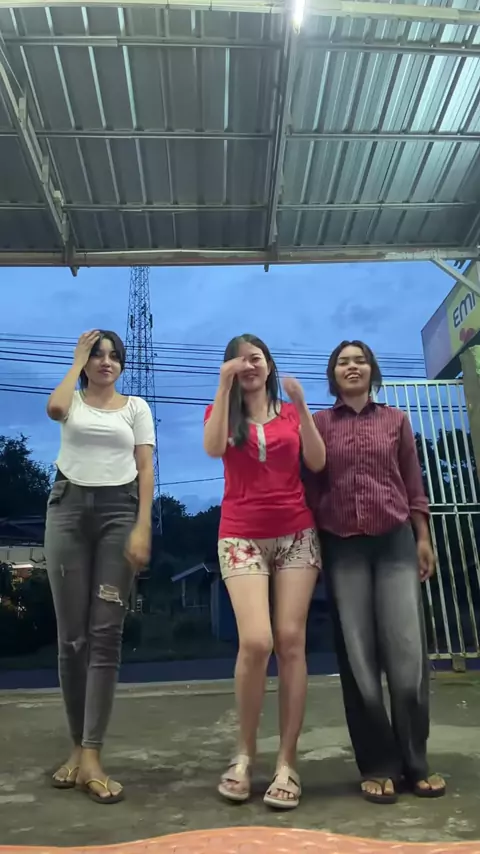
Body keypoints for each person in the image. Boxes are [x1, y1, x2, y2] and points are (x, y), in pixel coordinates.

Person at [305, 339, 446, 805]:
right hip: (342, 545)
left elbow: (413, 483)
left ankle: (415, 762)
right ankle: (378, 765)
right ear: (333, 374)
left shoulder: (396, 421)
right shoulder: (320, 424)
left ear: (372, 370)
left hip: (394, 541)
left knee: (407, 656)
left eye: (360, 360)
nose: (352, 367)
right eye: (343, 361)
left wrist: (422, 538)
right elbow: (310, 488)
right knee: (359, 660)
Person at [203, 333, 325, 810]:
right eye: (238, 361)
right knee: (256, 642)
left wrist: (303, 405)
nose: (248, 366)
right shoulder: (220, 412)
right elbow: (213, 448)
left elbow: (317, 460)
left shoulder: (292, 413)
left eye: (255, 358)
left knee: (291, 641)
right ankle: (244, 755)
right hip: (241, 535)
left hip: (296, 533)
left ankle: (287, 763)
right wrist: (222, 385)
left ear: (269, 365)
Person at [45, 330, 155, 804]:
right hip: (67, 509)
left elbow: (146, 468)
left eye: (114, 356)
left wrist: (142, 526)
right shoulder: (72, 401)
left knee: (105, 633)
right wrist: (74, 362)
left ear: (122, 364)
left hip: (119, 513)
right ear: (87, 362)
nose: (106, 361)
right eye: (97, 355)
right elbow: (54, 409)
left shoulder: (136, 408)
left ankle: (92, 754)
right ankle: (75, 747)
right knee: (72, 638)